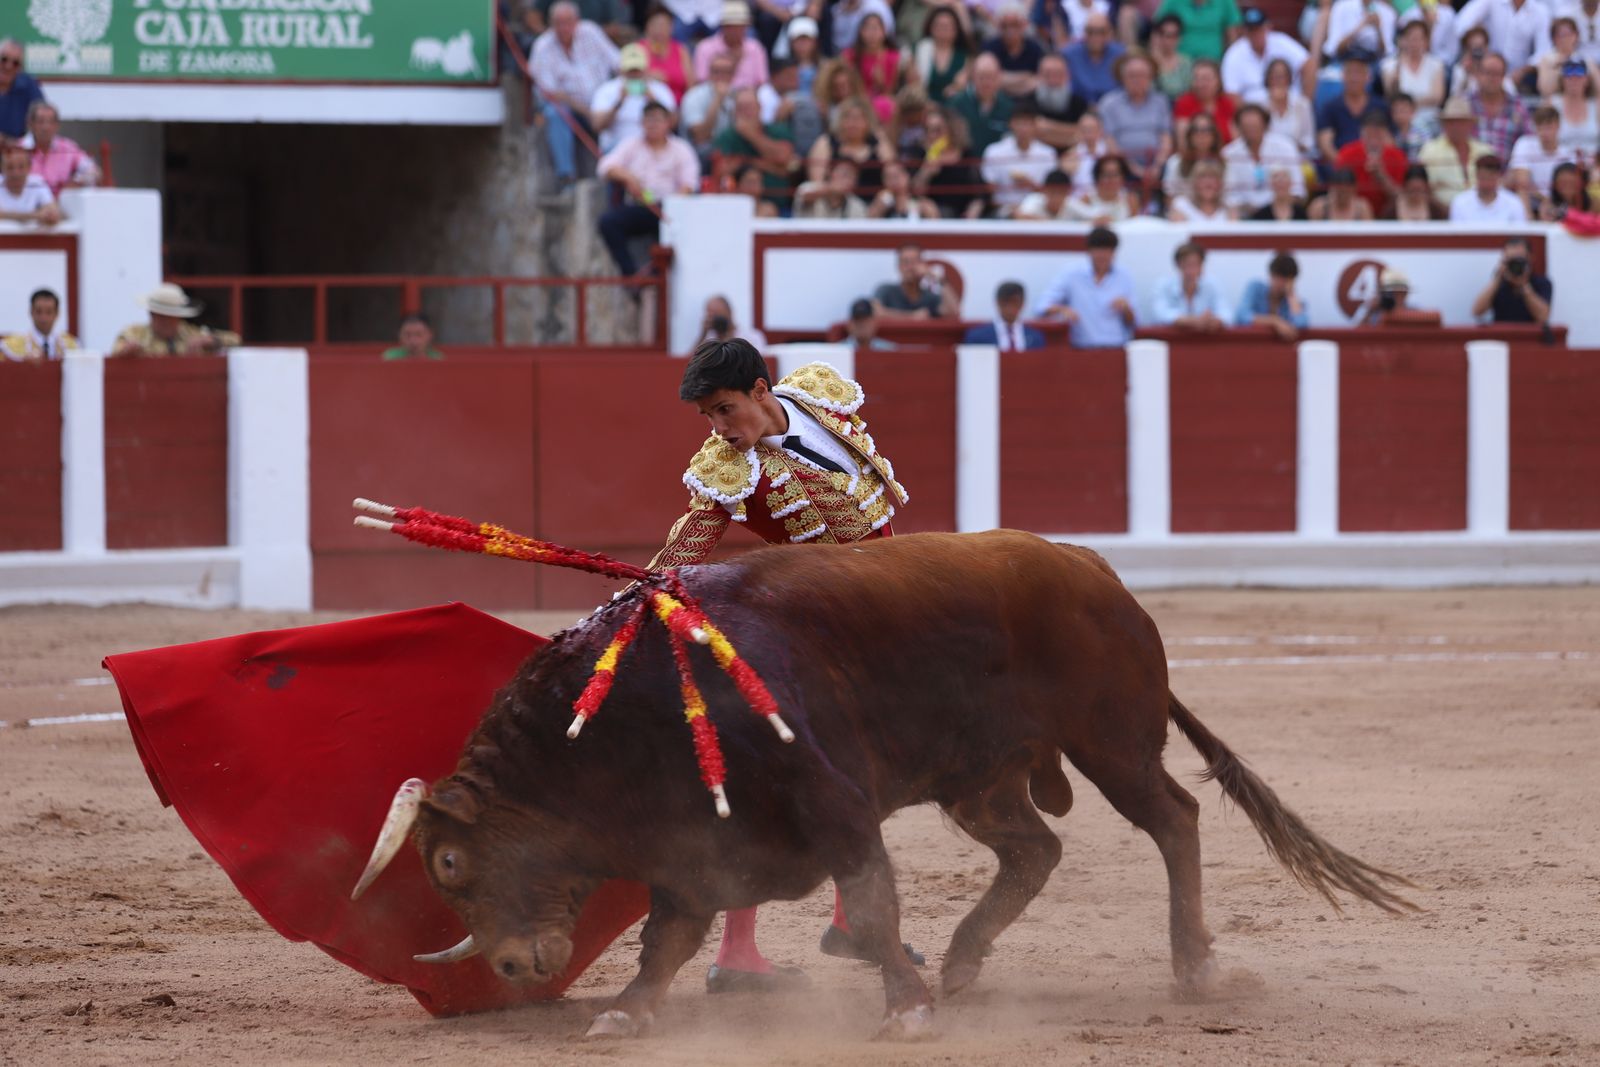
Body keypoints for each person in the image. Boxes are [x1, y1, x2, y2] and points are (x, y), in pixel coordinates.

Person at [646, 340, 913, 992]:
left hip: (876, 618)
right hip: (810, 635)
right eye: (709, 415)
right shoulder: (728, 468)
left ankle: (846, 924)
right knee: (784, 783)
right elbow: (686, 544)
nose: (719, 427)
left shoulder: (820, 396)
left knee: (864, 770)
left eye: (725, 409)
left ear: (763, 392)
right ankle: (742, 952)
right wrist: (640, 591)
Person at [598, 101, 700, 276]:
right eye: (648, 120)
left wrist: (670, 203)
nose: (652, 125)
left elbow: (689, 185)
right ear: (641, 123)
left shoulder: (681, 149)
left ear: (668, 123)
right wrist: (628, 177)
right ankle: (630, 276)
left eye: (657, 120)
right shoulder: (632, 144)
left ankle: (655, 274)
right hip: (639, 206)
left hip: (668, 210)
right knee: (608, 222)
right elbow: (605, 167)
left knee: (674, 232)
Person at [530, 1, 620, 187]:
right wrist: (588, 112)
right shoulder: (543, 46)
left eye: (568, 21)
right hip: (572, 109)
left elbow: (617, 63)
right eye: (558, 22)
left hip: (602, 104)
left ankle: (619, 171)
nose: (564, 28)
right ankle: (566, 176)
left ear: (577, 21)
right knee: (555, 112)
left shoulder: (591, 32)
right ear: (550, 23)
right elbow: (552, 93)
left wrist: (613, 101)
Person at [1034, 225, 1137, 348]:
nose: (1102, 255)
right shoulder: (1072, 274)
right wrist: (1062, 310)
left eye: (1107, 250)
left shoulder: (1124, 277)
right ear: (1089, 251)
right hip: (1081, 348)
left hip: (1116, 346)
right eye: (1098, 250)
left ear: (1114, 252)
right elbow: (1041, 306)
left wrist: (1126, 308)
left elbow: (1134, 322)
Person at [1097, 54, 1174, 190]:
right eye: (1132, 75)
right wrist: (1133, 168)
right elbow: (1109, 141)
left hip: (1157, 165)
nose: (1137, 80)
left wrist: (1156, 166)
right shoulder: (1109, 103)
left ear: (1151, 77)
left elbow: (1166, 138)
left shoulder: (1160, 102)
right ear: (1122, 78)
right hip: (1122, 165)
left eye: (1142, 75)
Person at [712, 87, 799, 204]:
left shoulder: (778, 130)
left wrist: (750, 134)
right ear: (734, 112)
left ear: (760, 108)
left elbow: (783, 157)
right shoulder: (727, 137)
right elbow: (721, 172)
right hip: (737, 203)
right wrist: (773, 167)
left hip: (776, 203)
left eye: (749, 107)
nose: (746, 113)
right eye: (741, 109)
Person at [592, 43, 680, 152]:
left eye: (637, 70)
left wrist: (653, 101)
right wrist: (619, 102)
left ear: (645, 69)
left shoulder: (659, 89)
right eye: (630, 70)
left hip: (654, 145)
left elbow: (673, 123)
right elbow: (597, 125)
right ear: (621, 70)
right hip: (618, 147)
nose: (634, 75)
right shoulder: (607, 90)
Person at [111, 284, 241, 357]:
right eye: (162, 316)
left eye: (171, 317)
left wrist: (211, 341)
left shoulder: (190, 332)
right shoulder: (134, 333)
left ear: (179, 317)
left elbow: (236, 340)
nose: (166, 322)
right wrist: (127, 352)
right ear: (152, 314)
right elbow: (116, 352)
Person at [1223, 103, 1304, 211]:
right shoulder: (1229, 153)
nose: (1251, 130)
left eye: (1255, 126)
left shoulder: (1286, 147)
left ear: (1266, 125)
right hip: (1243, 214)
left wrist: (1274, 208)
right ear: (1239, 128)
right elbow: (1228, 194)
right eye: (1246, 126)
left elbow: (1297, 190)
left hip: (1280, 212)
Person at [981, 101, 1057, 215]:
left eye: (1027, 123)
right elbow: (989, 191)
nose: (1023, 129)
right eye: (1019, 123)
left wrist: (1031, 185)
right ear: (1011, 124)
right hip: (1004, 210)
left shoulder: (1048, 154)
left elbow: (1052, 193)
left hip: (1038, 211)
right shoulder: (994, 151)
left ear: (1035, 125)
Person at [1455, 0, 1552, 87]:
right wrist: (1477, 47)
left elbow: (1543, 51)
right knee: (1460, 73)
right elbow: (1461, 25)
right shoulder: (1491, 2)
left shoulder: (1540, 11)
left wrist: (1523, 71)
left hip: (1521, 78)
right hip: (1487, 69)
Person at [1418, 96, 1493, 206]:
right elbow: (1422, 188)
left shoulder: (1485, 151)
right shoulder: (1430, 151)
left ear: (1470, 124)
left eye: (1461, 122)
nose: (1456, 127)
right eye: (1451, 122)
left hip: (1483, 213)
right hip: (1442, 214)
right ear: (1444, 125)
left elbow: (1496, 185)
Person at [1221, 7, 1309, 98]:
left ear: (1268, 27)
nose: (1256, 34)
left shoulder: (1281, 41)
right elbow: (1231, 93)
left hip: (1289, 106)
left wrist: (1306, 100)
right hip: (1253, 108)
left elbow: (1309, 64)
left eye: (1259, 29)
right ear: (1244, 31)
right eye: (1252, 30)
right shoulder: (1234, 53)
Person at [1317, 48, 1387, 160]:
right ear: (1343, 75)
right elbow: (1325, 143)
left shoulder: (1380, 106)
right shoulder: (1331, 107)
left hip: (1375, 166)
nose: (1354, 78)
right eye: (1350, 72)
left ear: (1368, 77)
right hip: (1342, 169)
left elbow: (1388, 141)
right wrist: (1345, 164)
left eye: (1359, 72)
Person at [1335, 111, 1409, 216]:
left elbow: (1402, 197)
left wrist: (1381, 176)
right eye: (1369, 134)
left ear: (1386, 134)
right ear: (1361, 133)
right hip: (1355, 214)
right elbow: (1339, 191)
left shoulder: (1398, 157)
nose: (1373, 140)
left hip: (1388, 216)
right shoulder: (1347, 154)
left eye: (1378, 134)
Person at [1508, 106, 1580, 212]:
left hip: (1559, 205)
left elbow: (1570, 190)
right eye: (1540, 127)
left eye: (1549, 127)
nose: (1544, 132)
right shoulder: (1524, 144)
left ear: (1558, 126)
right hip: (1532, 204)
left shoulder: (1569, 154)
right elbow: (1522, 184)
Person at [20, 101, 98, 198]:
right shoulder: (18, 148)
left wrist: (76, 182)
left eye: (51, 122)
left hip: (60, 206)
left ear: (57, 125)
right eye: (40, 122)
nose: (46, 127)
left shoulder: (68, 148)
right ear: (30, 124)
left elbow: (93, 171)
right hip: (25, 206)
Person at [1471, 237, 1552, 325]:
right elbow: (1477, 311)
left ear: (1530, 258)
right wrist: (1498, 278)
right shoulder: (1499, 283)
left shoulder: (1542, 283)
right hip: (1500, 335)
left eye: (1519, 260)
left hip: (1530, 335)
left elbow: (1543, 317)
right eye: (1511, 260)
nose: (1515, 265)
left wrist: (1524, 285)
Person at [1380, 19, 1446, 125]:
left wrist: (1408, 105)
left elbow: (1437, 97)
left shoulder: (1436, 64)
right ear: (1404, 40)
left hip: (1430, 119)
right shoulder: (1390, 65)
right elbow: (1391, 96)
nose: (1415, 42)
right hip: (1402, 121)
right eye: (1411, 38)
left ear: (1426, 41)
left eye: (1419, 38)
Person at [1467, 52, 1532, 159]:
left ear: (1503, 77)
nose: (1491, 78)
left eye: (1496, 74)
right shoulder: (1465, 104)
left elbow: (1528, 143)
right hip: (1470, 171)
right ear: (1478, 74)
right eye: (1487, 73)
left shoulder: (1518, 106)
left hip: (1509, 173)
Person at [949, 53, 1014, 156]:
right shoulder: (957, 104)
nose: (986, 82)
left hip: (996, 167)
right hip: (965, 165)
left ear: (999, 77)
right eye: (982, 77)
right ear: (973, 76)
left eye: (990, 77)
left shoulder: (1009, 107)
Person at [693, 0, 769, 88]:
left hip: (747, 97)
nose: (735, 31)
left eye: (740, 26)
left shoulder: (755, 48)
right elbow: (701, 82)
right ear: (723, 27)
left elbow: (762, 82)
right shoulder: (705, 48)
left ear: (746, 27)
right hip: (714, 95)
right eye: (731, 26)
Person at [1151, 242, 1227, 331]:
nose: (1191, 270)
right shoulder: (1163, 285)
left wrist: (1215, 321)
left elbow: (1226, 313)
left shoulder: (1212, 285)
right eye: (1187, 264)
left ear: (1201, 266)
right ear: (1178, 265)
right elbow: (1159, 314)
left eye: (1195, 264)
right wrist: (1190, 321)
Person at [1235, 251, 1308, 341]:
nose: (1281, 284)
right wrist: (1274, 321)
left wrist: (1291, 295)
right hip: (1253, 346)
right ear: (1271, 275)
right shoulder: (1255, 288)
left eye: (1286, 280)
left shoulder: (1295, 302)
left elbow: (1302, 324)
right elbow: (1241, 316)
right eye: (1278, 278)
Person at [874, 242, 959, 318]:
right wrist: (911, 316)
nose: (910, 267)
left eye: (914, 262)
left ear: (922, 265)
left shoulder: (929, 297)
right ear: (899, 266)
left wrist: (938, 278)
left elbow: (953, 312)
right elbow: (875, 311)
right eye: (906, 262)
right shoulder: (886, 290)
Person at [1062, 12, 1127, 104]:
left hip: (1113, 110)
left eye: (1101, 32)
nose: (1095, 37)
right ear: (1084, 33)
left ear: (1110, 33)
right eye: (1090, 31)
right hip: (1078, 109)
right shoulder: (1069, 54)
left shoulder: (1121, 55)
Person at [983, 4, 1046, 97]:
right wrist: (1025, 76)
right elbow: (986, 79)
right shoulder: (990, 47)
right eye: (1004, 25)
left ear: (1024, 25)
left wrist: (1003, 79)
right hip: (997, 99)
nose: (1010, 30)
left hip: (1030, 102)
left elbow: (1040, 80)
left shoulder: (1035, 48)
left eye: (1015, 25)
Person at [963, 280, 1046, 349]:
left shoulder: (1035, 337)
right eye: (1005, 302)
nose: (1010, 307)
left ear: (1022, 303)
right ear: (998, 302)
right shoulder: (977, 337)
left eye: (1014, 302)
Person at [1, 288, 78, 361]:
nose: (43, 318)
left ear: (57, 313)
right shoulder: (10, 346)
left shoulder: (71, 346)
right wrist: (24, 362)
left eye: (49, 312)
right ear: (31, 312)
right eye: (38, 311)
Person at [914, 7, 972, 102]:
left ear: (956, 29)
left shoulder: (965, 56)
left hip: (954, 108)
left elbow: (967, 88)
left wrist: (958, 87)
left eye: (947, 26)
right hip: (924, 105)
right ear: (931, 27)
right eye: (939, 25)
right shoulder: (919, 50)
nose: (943, 29)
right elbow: (914, 85)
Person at [1153, 0, 1243, 61]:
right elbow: (1156, 30)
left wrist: (1229, 61)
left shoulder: (1225, 2)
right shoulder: (1173, 2)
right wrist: (1157, 58)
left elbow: (1233, 36)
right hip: (1180, 64)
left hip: (1214, 63)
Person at [1032, 54, 1089, 149]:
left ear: (1068, 75)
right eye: (1047, 74)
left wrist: (1048, 127)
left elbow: (1085, 133)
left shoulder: (1079, 103)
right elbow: (1029, 133)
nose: (1052, 80)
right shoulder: (1027, 101)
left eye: (1058, 74)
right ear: (1039, 75)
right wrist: (1069, 133)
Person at [1449, 154, 1528, 222]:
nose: (1486, 184)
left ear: (1498, 177)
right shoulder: (1460, 203)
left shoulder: (1513, 203)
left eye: (1490, 179)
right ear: (1476, 176)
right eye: (1483, 178)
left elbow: (1520, 235)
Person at [640, 6, 695, 102]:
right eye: (655, 25)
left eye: (663, 25)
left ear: (671, 28)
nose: (659, 29)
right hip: (647, 104)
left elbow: (691, 83)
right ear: (647, 27)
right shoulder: (638, 48)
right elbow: (628, 76)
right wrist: (649, 76)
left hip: (678, 106)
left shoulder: (681, 50)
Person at [1173, 59, 1236, 144]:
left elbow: (1235, 139)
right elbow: (1183, 142)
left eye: (1206, 79)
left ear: (1218, 81)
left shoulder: (1226, 103)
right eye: (1196, 78)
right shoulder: (1184, 102)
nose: (1201, 84)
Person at [1067, 153, 1141, 221]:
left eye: (1115, 175)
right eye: (1106, 175)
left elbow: (1134, 226)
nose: (1110, 180)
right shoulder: (1086, 200)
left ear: (1123, 177)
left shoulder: (1131, 200)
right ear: (1097, 178)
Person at [0, 146, 61, 227]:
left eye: (21, 167)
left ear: (29, 167)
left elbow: (53, 211)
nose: (15, 173)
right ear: (2, 168)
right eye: (10, 167)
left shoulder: (38, 184)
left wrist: (48, 215)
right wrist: (36, 215)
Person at [1552, 57, 1600, 155]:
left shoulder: (1596, 105)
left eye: (1579, 73)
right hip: (1561, 163)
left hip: (1592, 163)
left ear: (1586, 79)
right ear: (1562, 79)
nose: (1574, 78)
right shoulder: (1552, 104)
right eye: (1568, 73)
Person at [1361, 268, 1441, 326]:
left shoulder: (1415, 311)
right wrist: (1370, 311)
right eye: (1392, 292)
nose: (1398, 295)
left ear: (1406, 293)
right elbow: (1358, 337)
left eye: (1401, 292)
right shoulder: (1375, 314)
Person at [795, 156, 871, 216]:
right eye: (845, 174)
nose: (849, 180)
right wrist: (830, 188)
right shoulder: (808, 187)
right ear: (830, 172)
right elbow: (806, 195)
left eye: (853, 177)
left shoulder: (857, 206)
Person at [0, 38, 43, 141]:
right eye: (4, 59)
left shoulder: (28, 84)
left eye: (15, 63)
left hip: (16, 149)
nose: (8, 66)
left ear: (20, 67)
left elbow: (42, 117)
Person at [1324, 0, 1395, 61]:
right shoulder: (1340, 7)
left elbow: (1387, 54)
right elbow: (1334, 49)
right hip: (1344, 60)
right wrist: (1361, 26)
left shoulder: (1387, 12)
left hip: (1372, 62)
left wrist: (1378, 29)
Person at [868, 159, 941, 217]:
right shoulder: (880, 203)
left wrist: (926, 212)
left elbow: (936, 227)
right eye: (888, 177)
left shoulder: (924, 204)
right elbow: (868, 226)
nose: (893, 181)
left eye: (896, 176)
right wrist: (878, 208)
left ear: (907, 176)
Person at [1168, 159, 1235, 220]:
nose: (1208, 183)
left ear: (1220, 183)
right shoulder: (1181, 205)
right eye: (1203, 177)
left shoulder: (1229, 207)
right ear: (1194, 182)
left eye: (1213, 177)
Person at [1149, 14, 1195, 98]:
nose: (1167, 40)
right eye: (1163, 34)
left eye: (1173, 35)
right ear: (1156, 35)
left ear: (1180, 38)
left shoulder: (1186, 62)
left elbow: (1189, 91)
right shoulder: (1147, 62)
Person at [698, 293, 767, 347]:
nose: (715, 319)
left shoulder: (752, 337)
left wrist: (728, 335)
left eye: (717, 314)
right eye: (710, 316)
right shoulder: (708, 339)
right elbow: (692, 361)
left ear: (729, 312)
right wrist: (703, 334)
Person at [1308, 166, 1375, 219]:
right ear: (1332, 188)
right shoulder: (1319, 207)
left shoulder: (1362, 208)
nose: (1342, 195)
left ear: (1353, 189)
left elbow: (1368, 233)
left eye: (1345, 192)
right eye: (1339, 192)